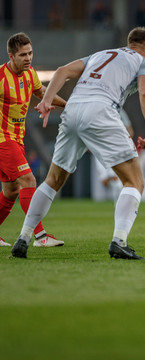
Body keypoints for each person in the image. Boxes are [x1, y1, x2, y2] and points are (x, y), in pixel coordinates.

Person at [11, 27, 145, 259]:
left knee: (52, 180)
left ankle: (23, 237)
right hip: (101, 110)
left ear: (129, 43)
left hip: (73, 109)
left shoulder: (100, 55)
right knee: (134, 181)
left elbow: (62, 71)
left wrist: (47, 100)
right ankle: (119, 241)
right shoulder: (143, 63)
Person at [0, 32, 66, 248]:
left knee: (10, 191)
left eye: (30, 53)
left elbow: (44, 93)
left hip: (17, 138)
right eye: (22, 55)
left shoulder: (30, 75)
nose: (28, 58)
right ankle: (40, 236)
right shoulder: (1, 77)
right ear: (11, 56)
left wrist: (70, 105)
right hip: (2, 139)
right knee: (28, 180)